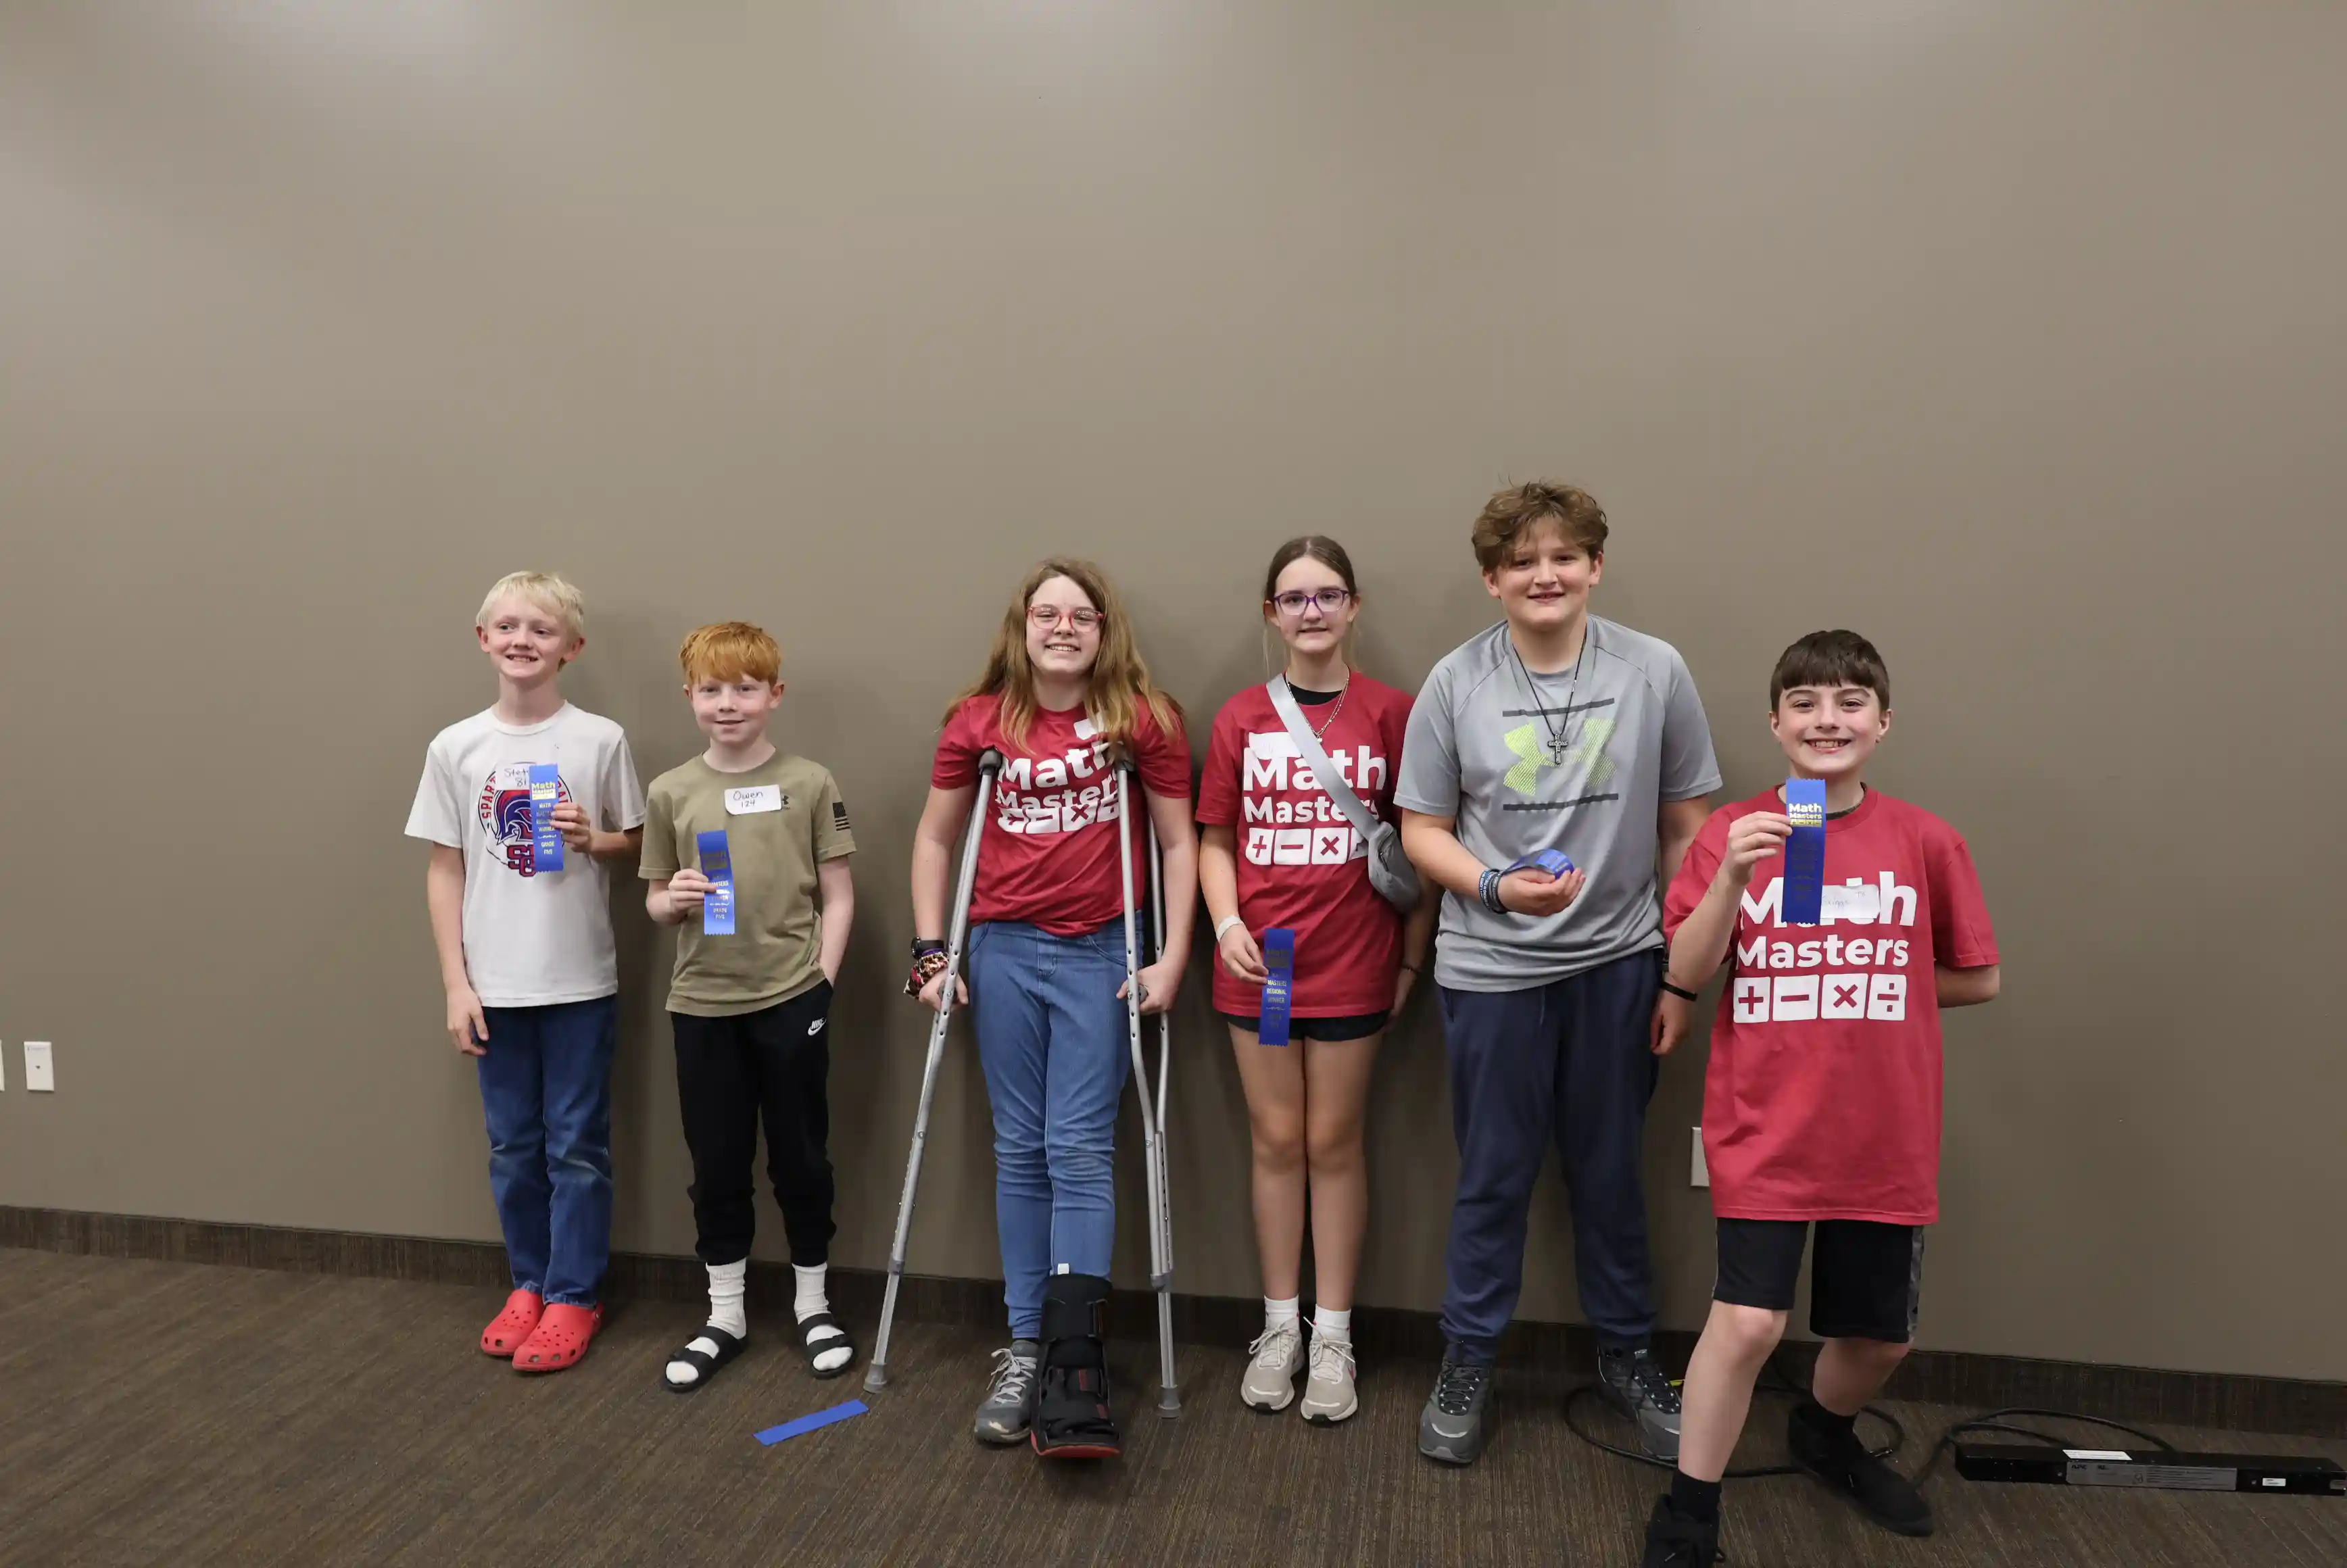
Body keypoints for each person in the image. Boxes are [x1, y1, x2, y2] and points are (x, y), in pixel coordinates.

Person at [1639, 630, 2000, 1566]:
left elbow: (1978, 977)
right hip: (1767, 1119)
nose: (1826, 718)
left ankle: (1825, 1432)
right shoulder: (1734, 831)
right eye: (1805, 702)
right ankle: (1690, 1508)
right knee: (1750, 1319)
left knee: (1878, 1338)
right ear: (1776, 722)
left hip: (1884, 1127)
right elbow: (1687, 967)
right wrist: (1730, 876)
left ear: (1882, 724)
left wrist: (1864, 971)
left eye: (1848, 703)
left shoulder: (1926, 839)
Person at [1395, 483, 1720, 1465]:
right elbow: (1421, 832)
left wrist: (1675, 976)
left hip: (1619, 966)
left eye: (1565, 557)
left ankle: (1627, 1356)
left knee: (1612, 1174)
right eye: (1524, 561)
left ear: (1595, 567)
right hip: (1491, 972)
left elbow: (1687, 828)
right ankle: (1469, 1358)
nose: (1546, 575)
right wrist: (1494, 887)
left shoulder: (1655, 670)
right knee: (1493, 1178)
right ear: (1493, 579)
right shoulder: (1456, 683)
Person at [908, 558, 1196, 1461]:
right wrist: (930, 952)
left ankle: (1077, 1353)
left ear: (1106, 630)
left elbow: (1182, 841)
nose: (1063, 627)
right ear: (1021, 626)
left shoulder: (1143, 720)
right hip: (999, 949)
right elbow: (934, 836)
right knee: (1020, 1148)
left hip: (1100, 948)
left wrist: (1172, 955)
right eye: (1046, 613)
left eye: (1081, 615)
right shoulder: (979, 720)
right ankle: (1025, 1345)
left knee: (1077, 1147)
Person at [1196, 536, 1434, 1425]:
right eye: (1293, 599)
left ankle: (1334, 1336)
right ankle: (1279, 1327)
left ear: (1355, 606)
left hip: (1356, 963)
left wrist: (1413, 956)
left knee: (1335, 1142)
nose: (1311, 612)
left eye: (1327, 595)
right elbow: (1216, 839)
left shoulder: (1396, 715)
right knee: (1274, 1140)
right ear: (1272, 614)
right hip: (1263, 968)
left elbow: (1420, 846)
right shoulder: (1238, 720)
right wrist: (1225, 926)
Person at [404, 571, 646, 1373]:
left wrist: (595, 840)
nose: (521, 640)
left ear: (571, 648)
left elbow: (638, 844)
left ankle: (576, 1293)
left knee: (576, 1145)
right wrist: (455, 983)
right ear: (483, 639)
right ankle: (529, 1282)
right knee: (511, 1145)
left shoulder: (599, 739)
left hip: (578, 980)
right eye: (506, 626)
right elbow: (446, 869)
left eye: (541, 630)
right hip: (493, 985)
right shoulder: (456, 746)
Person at [641, 622, 858, 1392]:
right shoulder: (671, 790)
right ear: (690, 697)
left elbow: (838, 896)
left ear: (775, 694)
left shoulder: (809, 781)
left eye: (744, 688)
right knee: (717, 1162)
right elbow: (654, 901)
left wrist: (822, 983)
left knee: (801, 1158)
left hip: (791, 998)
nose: (727, 704)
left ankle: (813, 1306)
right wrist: (675, 899)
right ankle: (724, 1314)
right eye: (711, 690)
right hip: (701, 1006)